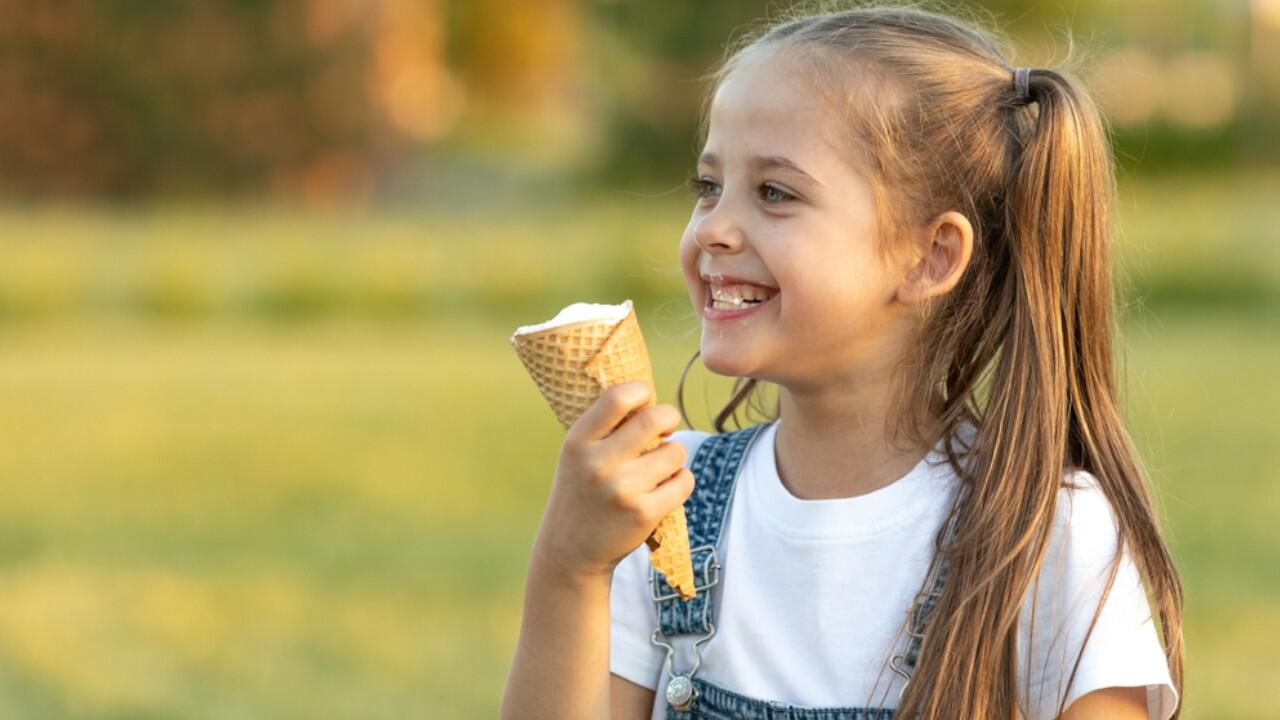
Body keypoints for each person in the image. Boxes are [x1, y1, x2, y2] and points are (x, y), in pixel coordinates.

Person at [500, 5, 1184, 720]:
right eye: (709, 186)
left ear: (930, 257)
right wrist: (570, 569)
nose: (713, 229)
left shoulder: (1045, 533)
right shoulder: (664, 502)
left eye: (775, 193)